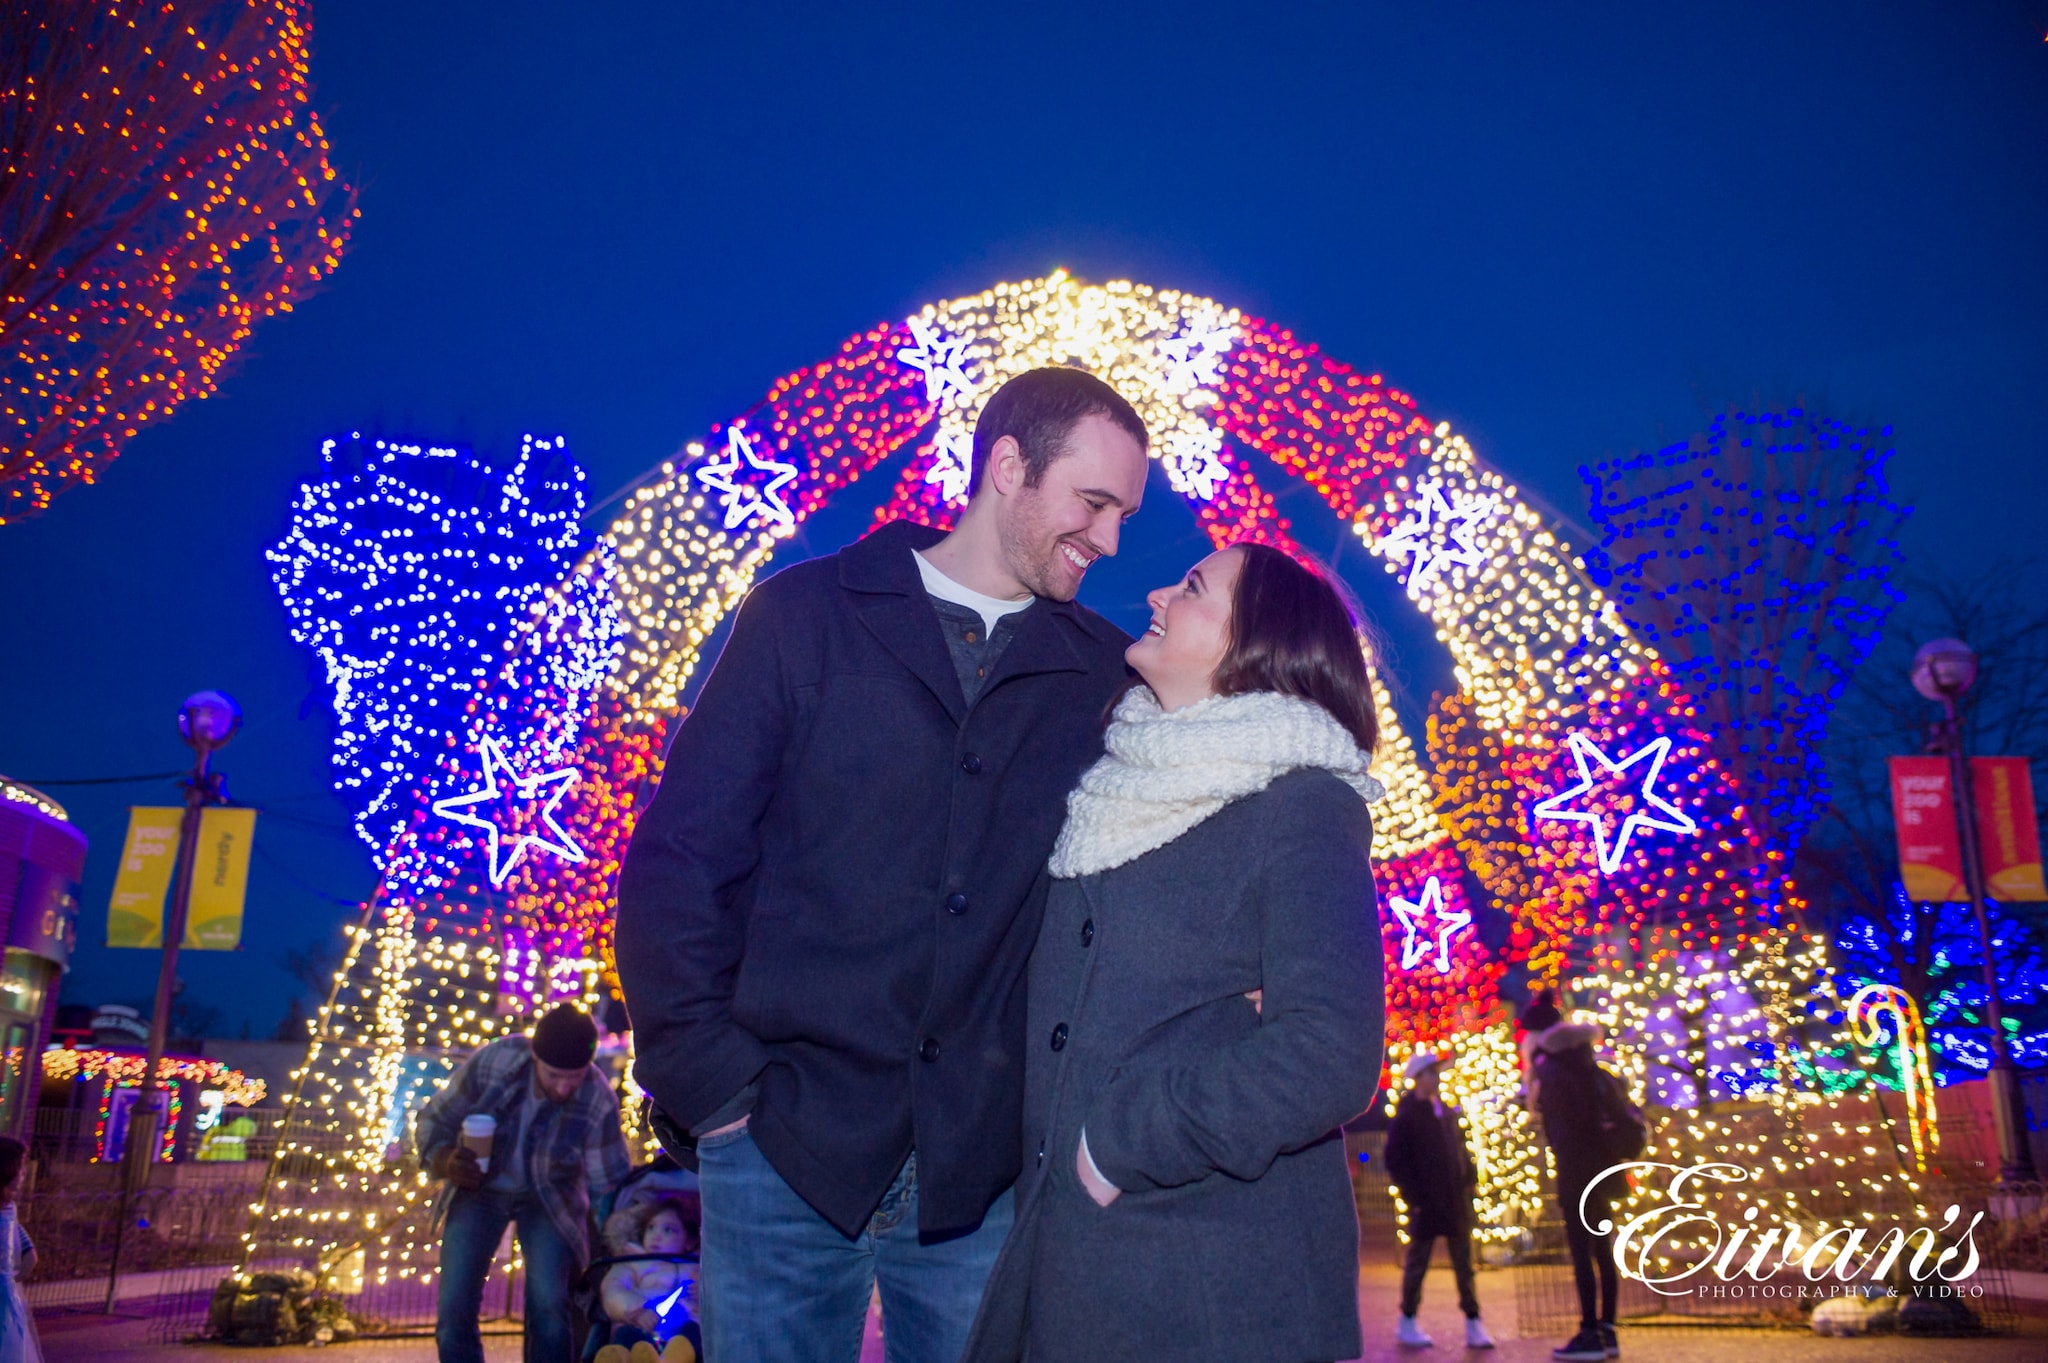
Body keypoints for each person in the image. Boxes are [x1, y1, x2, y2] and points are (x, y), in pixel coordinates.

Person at [615, 366, 1150, 1363]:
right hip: (780, 1146)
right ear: (1005, 467)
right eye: (1093, 502)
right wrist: (716, 1092)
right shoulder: (802, 616)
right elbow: (682, 862)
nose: (1111, 539)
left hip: (979, 1175)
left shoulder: (1102, 680)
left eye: (1124, 513)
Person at [961, 541, 1388, 1363]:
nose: (1157, 590)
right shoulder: (1106, 789)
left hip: (1215, 1284)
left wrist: (1120, 1141)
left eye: (1192, 587)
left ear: (1254, 646)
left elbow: (1330, 1051)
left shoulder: (1302, 804)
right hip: (1078, 1265)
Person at [417, 1005, 632, 1363]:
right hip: (478, 1190)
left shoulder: (597, 1096)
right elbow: (435, 1119)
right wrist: (444, 1159)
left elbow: (608, 1184)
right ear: (534, 1057)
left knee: (549, 1306)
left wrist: (618, 1239)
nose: (564, 1086)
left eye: (574, 1077)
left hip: (550, 1198)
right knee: (454, 1308)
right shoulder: (495, 1062)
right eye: (553, 1075)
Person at [1521, 991, 1641, 1362]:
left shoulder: (1552, 1075)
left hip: (1576, 1175)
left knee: (1580, 1253)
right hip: (1607, 1174)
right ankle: (1607, 1330)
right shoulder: (1601, 1075)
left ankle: (1588, 1332)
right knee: (1603, 1250)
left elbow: (1561, 1131)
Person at [1383, 1052, 1494, 1350]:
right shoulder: (1407, 1114)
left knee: (1464, 1265)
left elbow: (1459, 1148)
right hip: (1427, 1202)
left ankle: (1473, 1321)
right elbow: (1394, 1159)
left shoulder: (1444, 1110)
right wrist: (1413, 1196)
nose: (1437, 1077)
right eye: (1431, 1073)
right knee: (1418, 1263)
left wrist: (1468, 1178)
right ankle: (1407, 1319)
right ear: (1418, 1078)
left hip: (1453, 1199)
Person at [596, 1193, 702, 1363]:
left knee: (696, 1333)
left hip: (682, 1330)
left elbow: (721, 1299)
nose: (656, 1235)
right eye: (651, 1227)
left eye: (668, 1230)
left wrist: (704, 1292)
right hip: (643, 1324)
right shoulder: (632, 1262)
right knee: (626, 1333)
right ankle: (619, 1358)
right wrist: (636, 1309)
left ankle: (671, 1359)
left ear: (689, 1240)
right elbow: (613, 1288)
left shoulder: (696, 1267)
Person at [0, 1137, 40, 1363]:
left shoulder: (9, 1208)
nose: (23, 1172)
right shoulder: (7, 1209)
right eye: (20, 1166)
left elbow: (29, 1252)